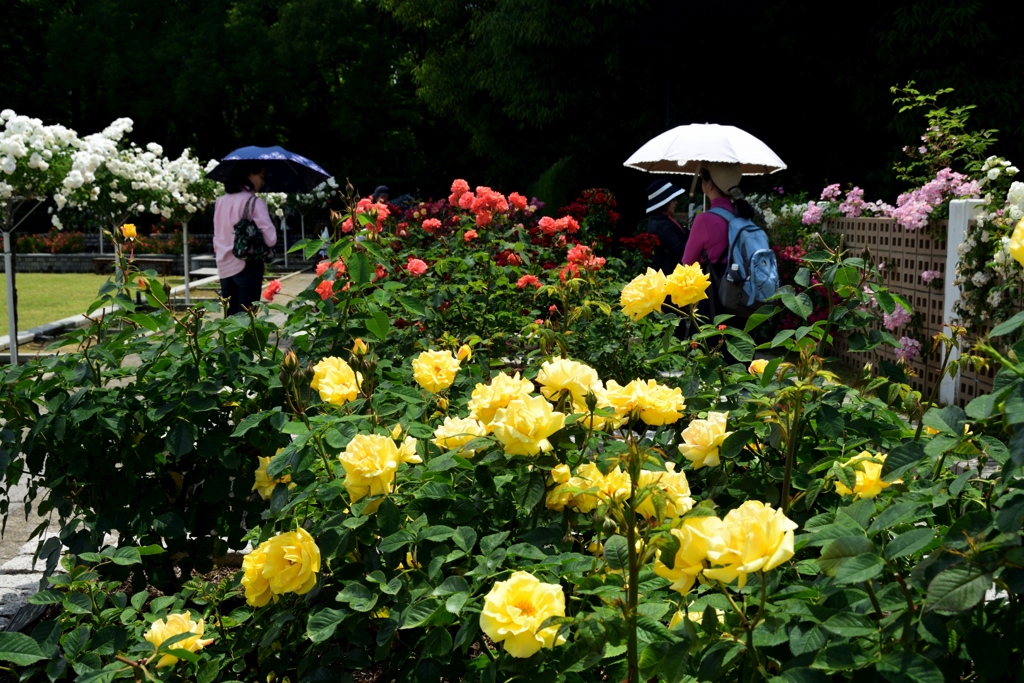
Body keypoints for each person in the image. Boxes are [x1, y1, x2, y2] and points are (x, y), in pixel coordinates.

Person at [682, 162, 755, 322]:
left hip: (715, 298)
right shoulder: (743, 215)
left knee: (714, 345)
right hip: (742, 297)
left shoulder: (704, 219)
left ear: (709, 184)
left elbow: (687, 263)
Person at [213, 161, 277, 316]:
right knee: (247, 319)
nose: (262, 181)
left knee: (230, 319)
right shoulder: (254, 201)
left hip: (224, 266)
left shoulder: (220, 201)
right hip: (247, 265)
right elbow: (271, 239)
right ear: (249, 175)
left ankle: (229, 341)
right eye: (260, 176)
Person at [644, 179, 688, 274]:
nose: (676, 202)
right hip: (667, 276)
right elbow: (679, 250)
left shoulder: (662, 220)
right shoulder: (662, 224)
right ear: (665, 202)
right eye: (673, 200)